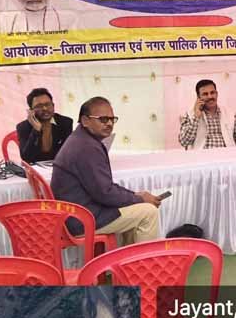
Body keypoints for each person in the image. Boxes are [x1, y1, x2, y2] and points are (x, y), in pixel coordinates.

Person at [51, 96, 161, 243]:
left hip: (75, 214)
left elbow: (104, 188)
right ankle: (141, 259)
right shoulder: (87, 147)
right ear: (85, 121)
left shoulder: (81, 139)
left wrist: (135, 196)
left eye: (112, 119)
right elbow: (105, 193)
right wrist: (140, 198)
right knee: (149, 212)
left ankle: (129, 258)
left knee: (138, 205)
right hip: (82, 219)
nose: (109, 123)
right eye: (103, 119)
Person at [178, 79, 236, 149]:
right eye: (205, 94)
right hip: (202, 156)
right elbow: (184, 142)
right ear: (198, 97)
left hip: (227, 155)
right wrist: (196, 117)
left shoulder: (231, 114)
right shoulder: (190, 115)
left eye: (212, 93)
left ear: (217, 94)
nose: (210, 96)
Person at [15, 87, 73, 163]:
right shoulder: (23, 127)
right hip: (36, 168)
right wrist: (36, 130)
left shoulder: (65, 122)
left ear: (53, 105)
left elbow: (68, 152)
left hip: (60, 165)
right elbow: (26, 158)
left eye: (48, 104)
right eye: (39, 106)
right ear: (31, 111)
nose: (45, 108)